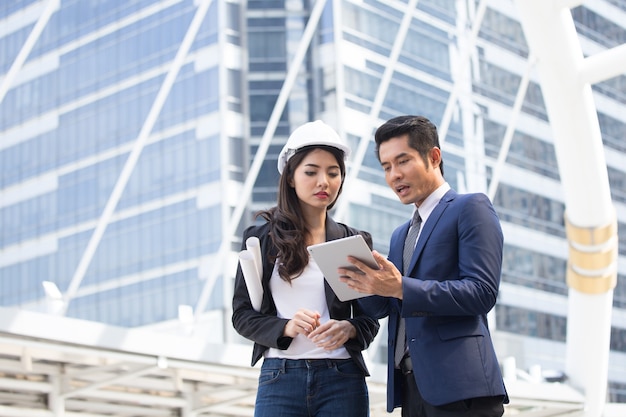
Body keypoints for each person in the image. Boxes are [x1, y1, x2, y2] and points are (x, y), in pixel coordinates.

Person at [338, 115, 508, 417]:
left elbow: (482, 292)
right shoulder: (401, 234)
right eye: (387, 167)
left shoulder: (471, 207)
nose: (394, 175)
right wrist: (362, 283)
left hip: (462, 389)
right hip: (412, 388)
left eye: (403, 161)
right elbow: (385, 307)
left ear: (433, 157)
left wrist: (401, 286)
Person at [232, 120, 380, 417]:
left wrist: (349, 328)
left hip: (342, 378)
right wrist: (285, 326)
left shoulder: (352, 241)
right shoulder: (261, 239)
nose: (323, 181)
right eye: (311, 172)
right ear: (290, 178)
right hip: (280, 377)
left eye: (333, 172)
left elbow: (370, 317)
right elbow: (242, 314)